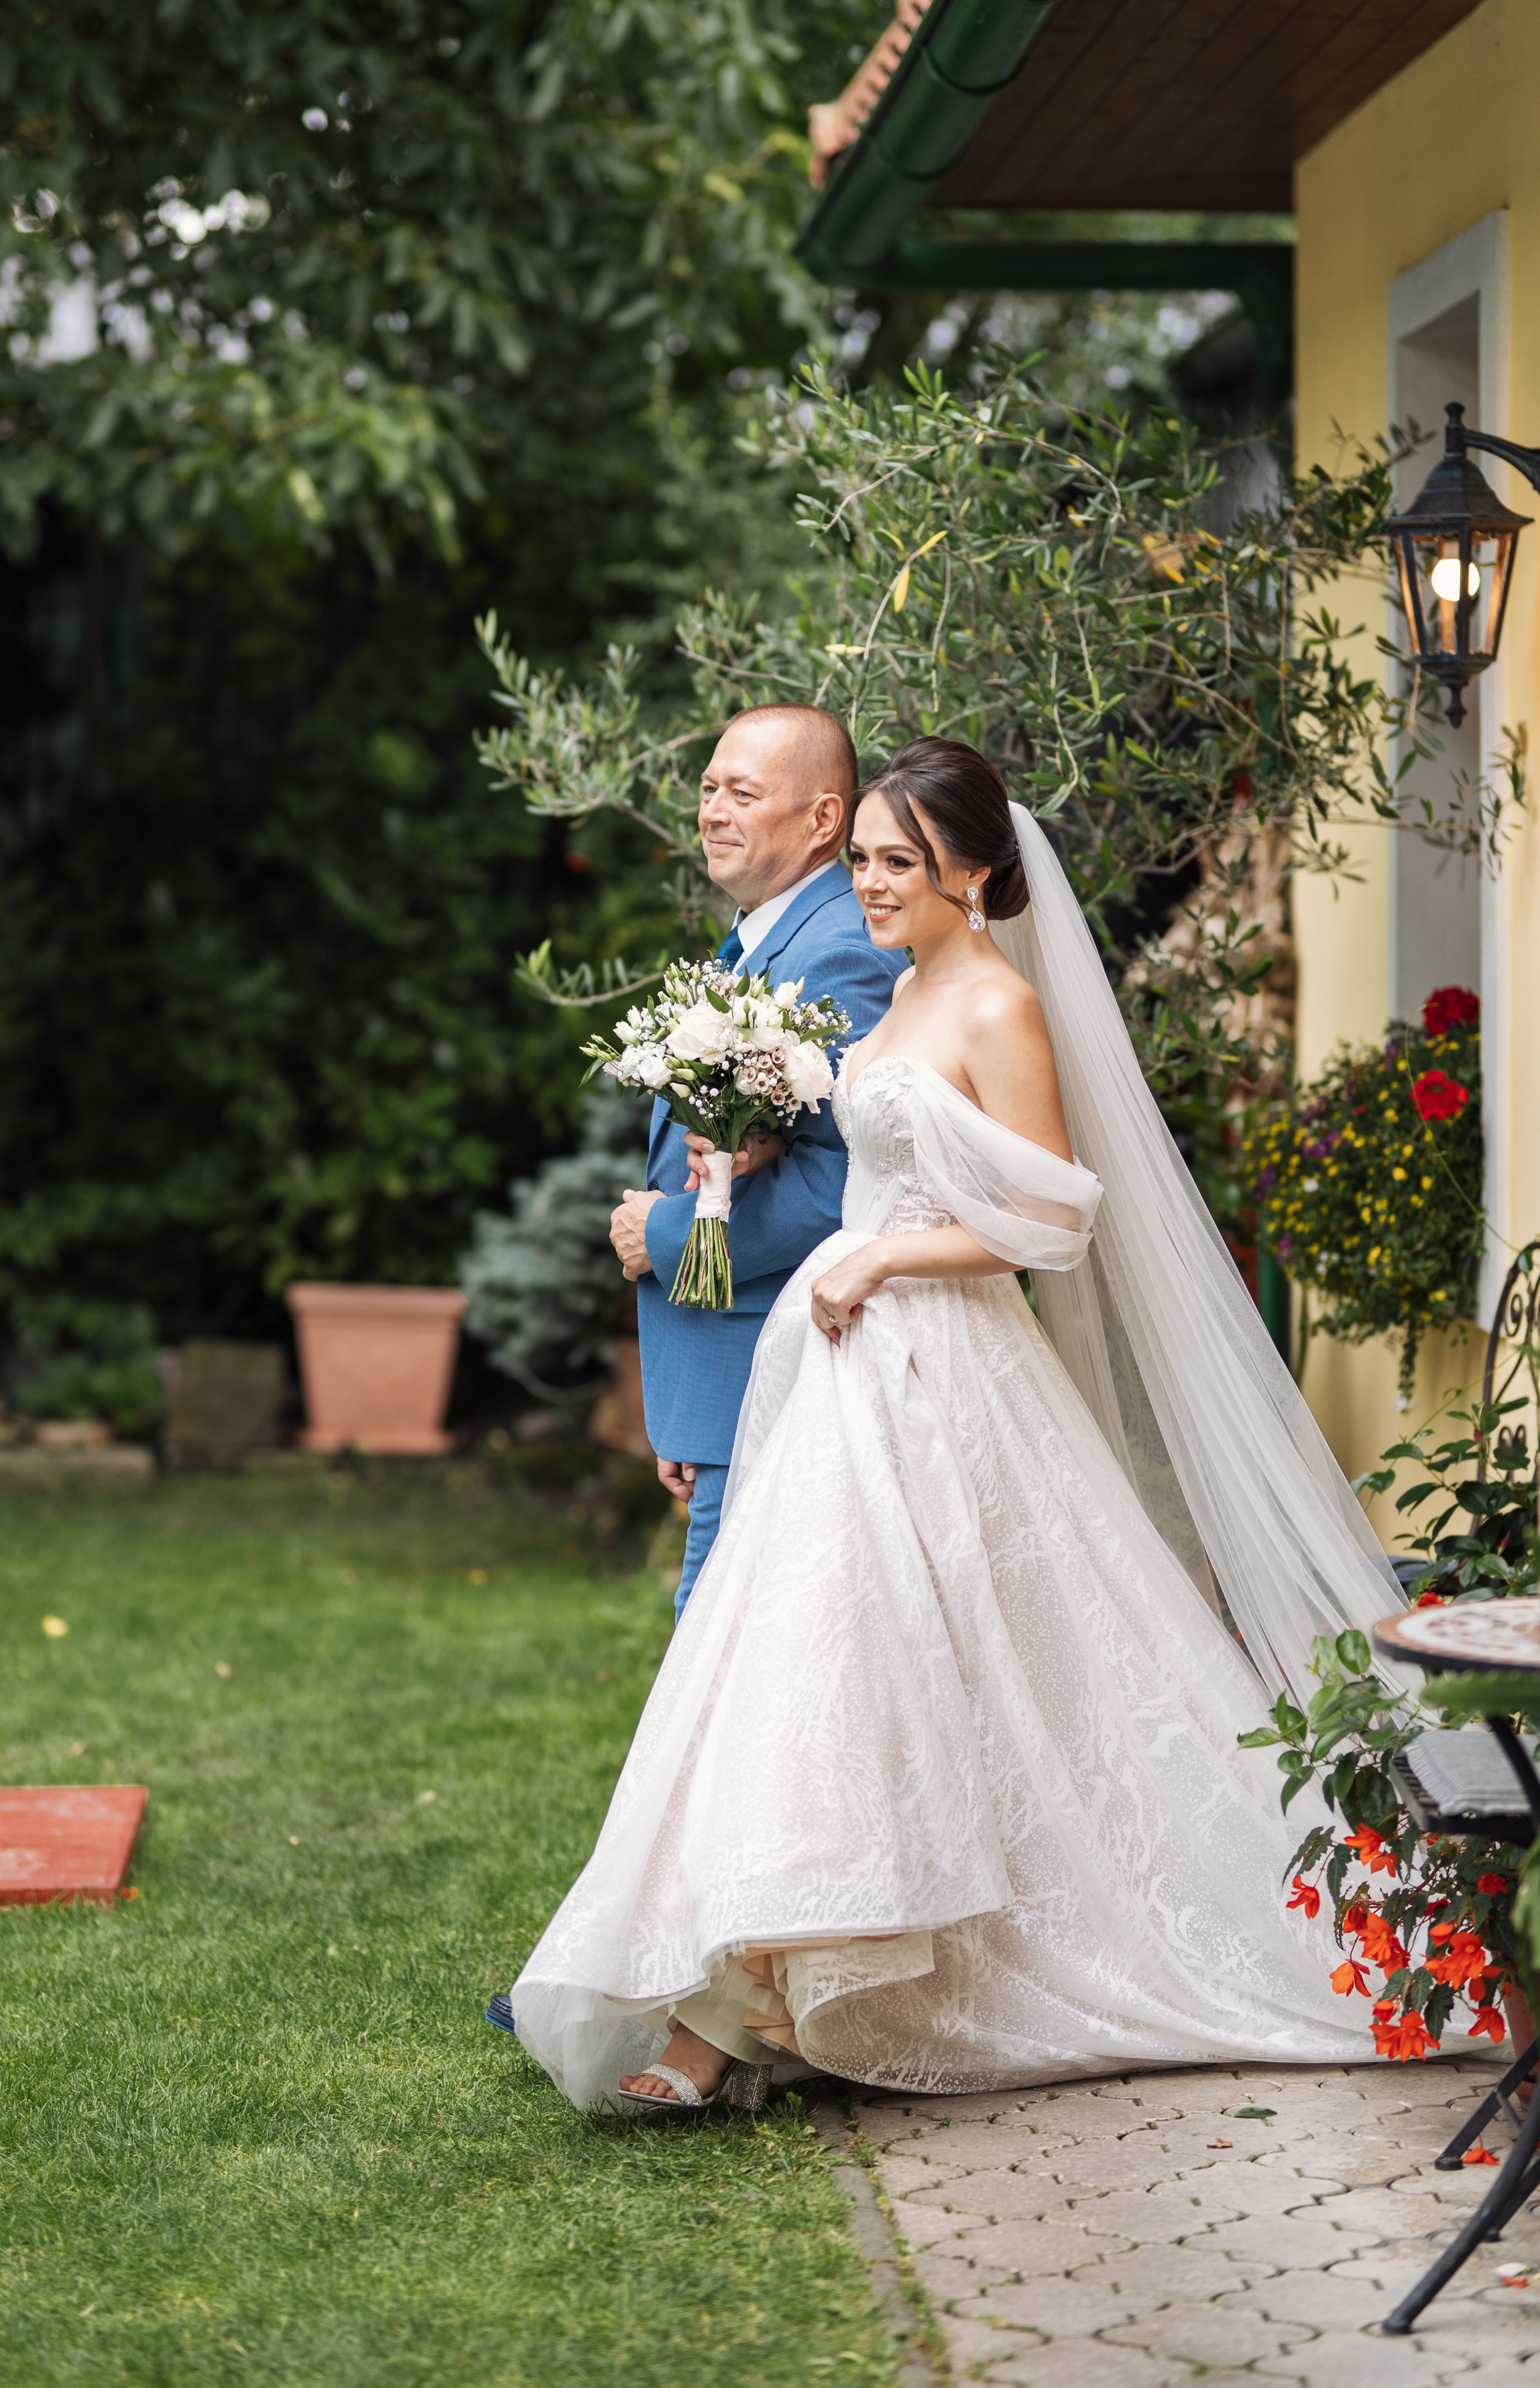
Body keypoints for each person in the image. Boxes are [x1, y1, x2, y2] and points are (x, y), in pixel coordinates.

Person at [510, 738, 1407, 2112]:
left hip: (945, 1373)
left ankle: (770, 2008)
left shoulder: (996, 1006)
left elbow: (1052, 1221)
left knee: (907, 1672)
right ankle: (738, 2000)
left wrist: (884, 1257)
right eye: (865, 858)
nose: (869, 883)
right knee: (797, 1679)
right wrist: (757, 1151)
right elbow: (880, 1153)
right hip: (846, 1376)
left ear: (974, 874)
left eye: (899, 863)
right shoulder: (903, 991)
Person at [609, 703, 906, 1617]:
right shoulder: (765, 940)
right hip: (725, 1386)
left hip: (776, 1374)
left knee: (716, 1663)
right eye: (708, 789)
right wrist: (688, 1408)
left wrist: (663, 1236)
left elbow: (842, 1185)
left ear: (823, 819)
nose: (712, 811)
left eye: (742, 792)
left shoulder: (839, 955)